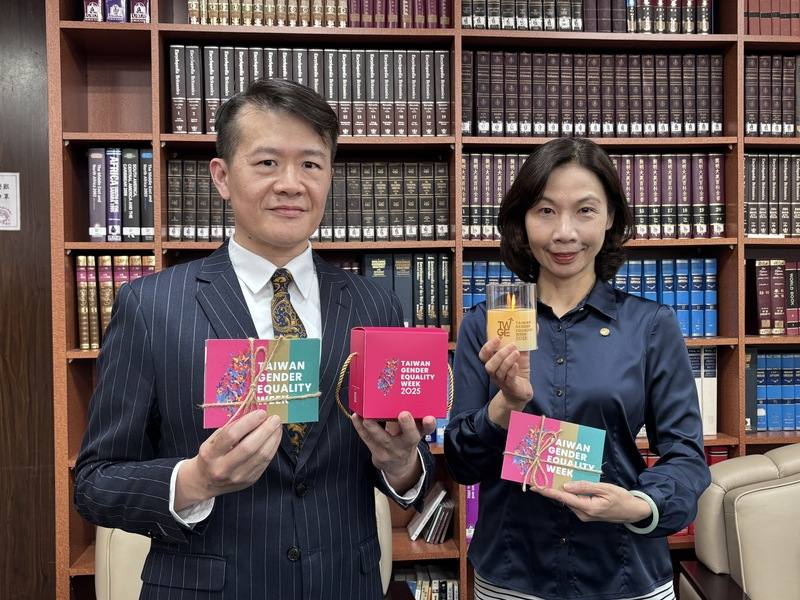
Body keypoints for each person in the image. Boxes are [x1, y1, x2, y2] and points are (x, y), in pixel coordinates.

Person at [74, 79, 436, 599]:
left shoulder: (374, 304)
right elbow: (95, 482)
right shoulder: (152, 307)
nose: (291, 183)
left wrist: (400, 465)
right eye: (267, 163)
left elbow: (395, 471)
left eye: (311, 164)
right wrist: (195, 480)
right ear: (221, 176)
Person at [444, 137, 710, 600]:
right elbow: (463, 463)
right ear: (522, 222)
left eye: (585, 210)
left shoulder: (650, 326)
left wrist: (640, 503)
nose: (564, 232)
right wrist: (506, 404)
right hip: (513, 574)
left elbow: (687, 455)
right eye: (545, 211)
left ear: (610, 219)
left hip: (624, 572)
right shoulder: (487, 324)